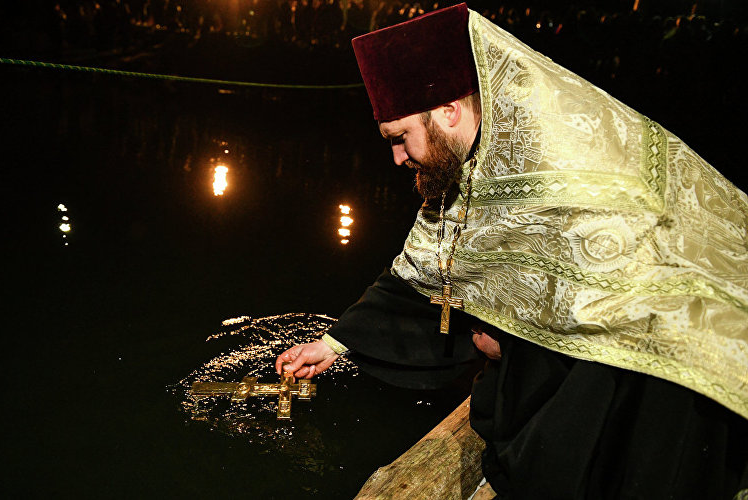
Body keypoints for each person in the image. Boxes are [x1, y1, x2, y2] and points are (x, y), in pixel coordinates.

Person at [276, 3, 748, 498]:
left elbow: (611, 312)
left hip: (674, 359)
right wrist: (333, 345)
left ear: (447, 111)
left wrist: (515, 346)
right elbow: (428, 268)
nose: (396, 157)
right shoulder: (471, 155)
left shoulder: (558, 161)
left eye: (400, 138)